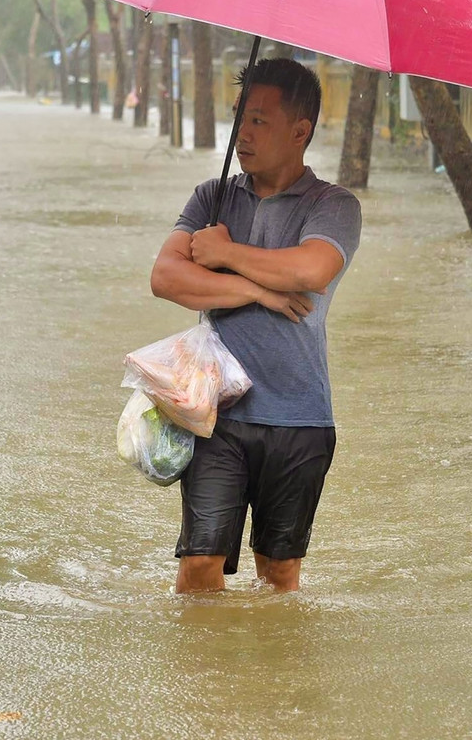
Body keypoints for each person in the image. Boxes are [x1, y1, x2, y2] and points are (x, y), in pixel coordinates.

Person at [150, 57, 362, 595]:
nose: (242, 133)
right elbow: (166, 277)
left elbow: (312, 270)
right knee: (198, 565)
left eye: (259, 121)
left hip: (300, 417)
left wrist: (224, 254)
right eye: (240, 117)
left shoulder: (333, 205)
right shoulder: (212, 196)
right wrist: (257, 291)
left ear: (300, 131)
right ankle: (207, 656)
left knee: (279, 576)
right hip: (216, 412)